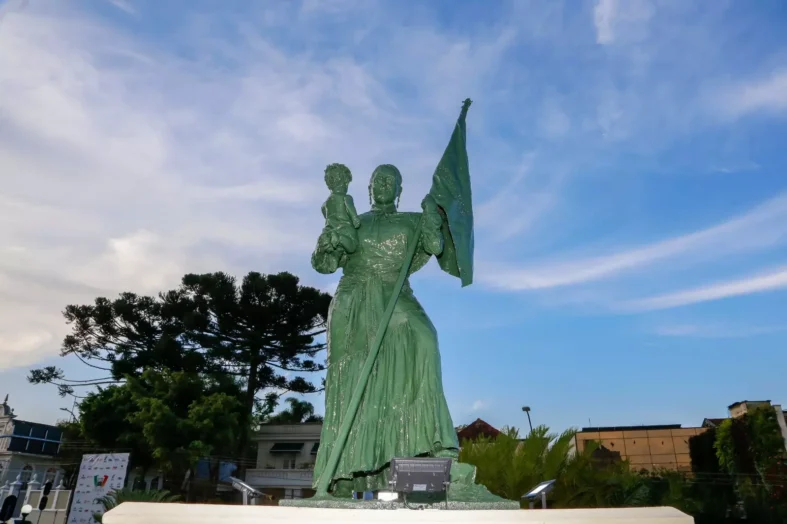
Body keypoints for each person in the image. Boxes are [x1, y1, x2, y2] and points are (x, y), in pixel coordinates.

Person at [311, 164, 459, 496]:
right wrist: (330, 239)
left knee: (426, 340)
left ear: (399, 189)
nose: (383, 185)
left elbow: (436, 247)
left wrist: (431, 216)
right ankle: (341, 472)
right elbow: (324, 264)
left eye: (390, 181)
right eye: (378, 180)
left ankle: (436, 443)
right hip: (355, 300)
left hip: (396, 295)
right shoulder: (354, 219)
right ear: (369, 187)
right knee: (355, 380)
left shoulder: (410, 220)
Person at [321, 163, 361, 254]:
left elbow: (326, 217)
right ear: (345, 182)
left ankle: (330, 237)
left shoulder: (324, 205)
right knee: (352, 246)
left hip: (330, 229)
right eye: (347, 183)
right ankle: (338, 238)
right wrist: (355, 219)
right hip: (344, 228)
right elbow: (351, 212)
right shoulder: (346, 198)